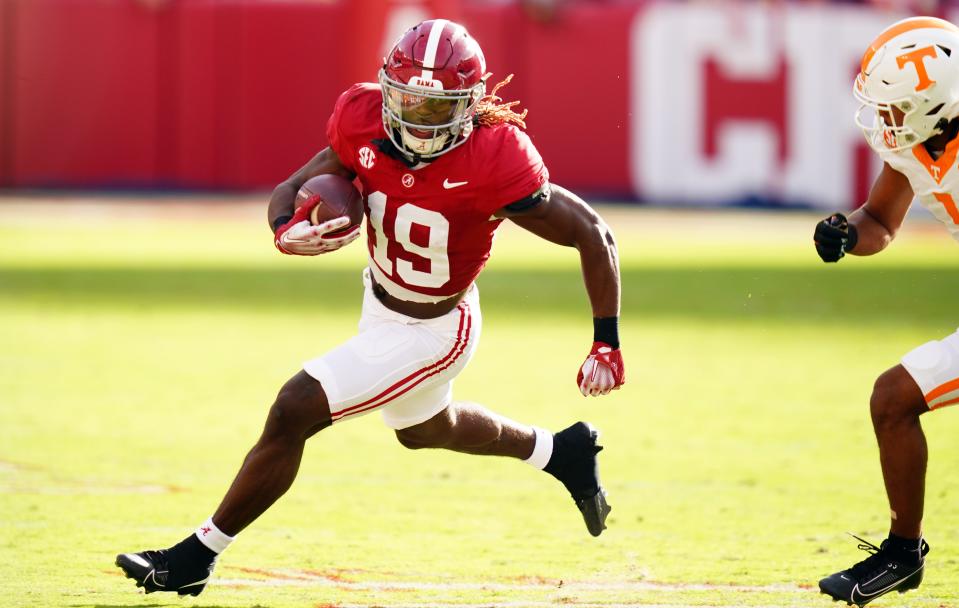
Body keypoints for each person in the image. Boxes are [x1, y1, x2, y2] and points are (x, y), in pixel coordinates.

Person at [114, 18, 624, 597]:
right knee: (425, 428)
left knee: (293, 408)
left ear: (470, 106)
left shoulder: (495, 157)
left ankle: (194, 557)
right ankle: (562, 451)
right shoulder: (360, 119)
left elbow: (592, 232)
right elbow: (292, 186)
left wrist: (605, 340)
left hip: (437, 326)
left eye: (435, 109)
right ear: (385, 89)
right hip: (379, 303)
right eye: (406, 100)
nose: (415, 119)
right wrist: (285, 230)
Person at [815, 16, 959, 607]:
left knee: (893, 397)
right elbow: (881, 220)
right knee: (893, 398)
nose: (884, 121)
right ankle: (904, 553)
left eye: (895, 108)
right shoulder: (917, 148)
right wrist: (848, 234)